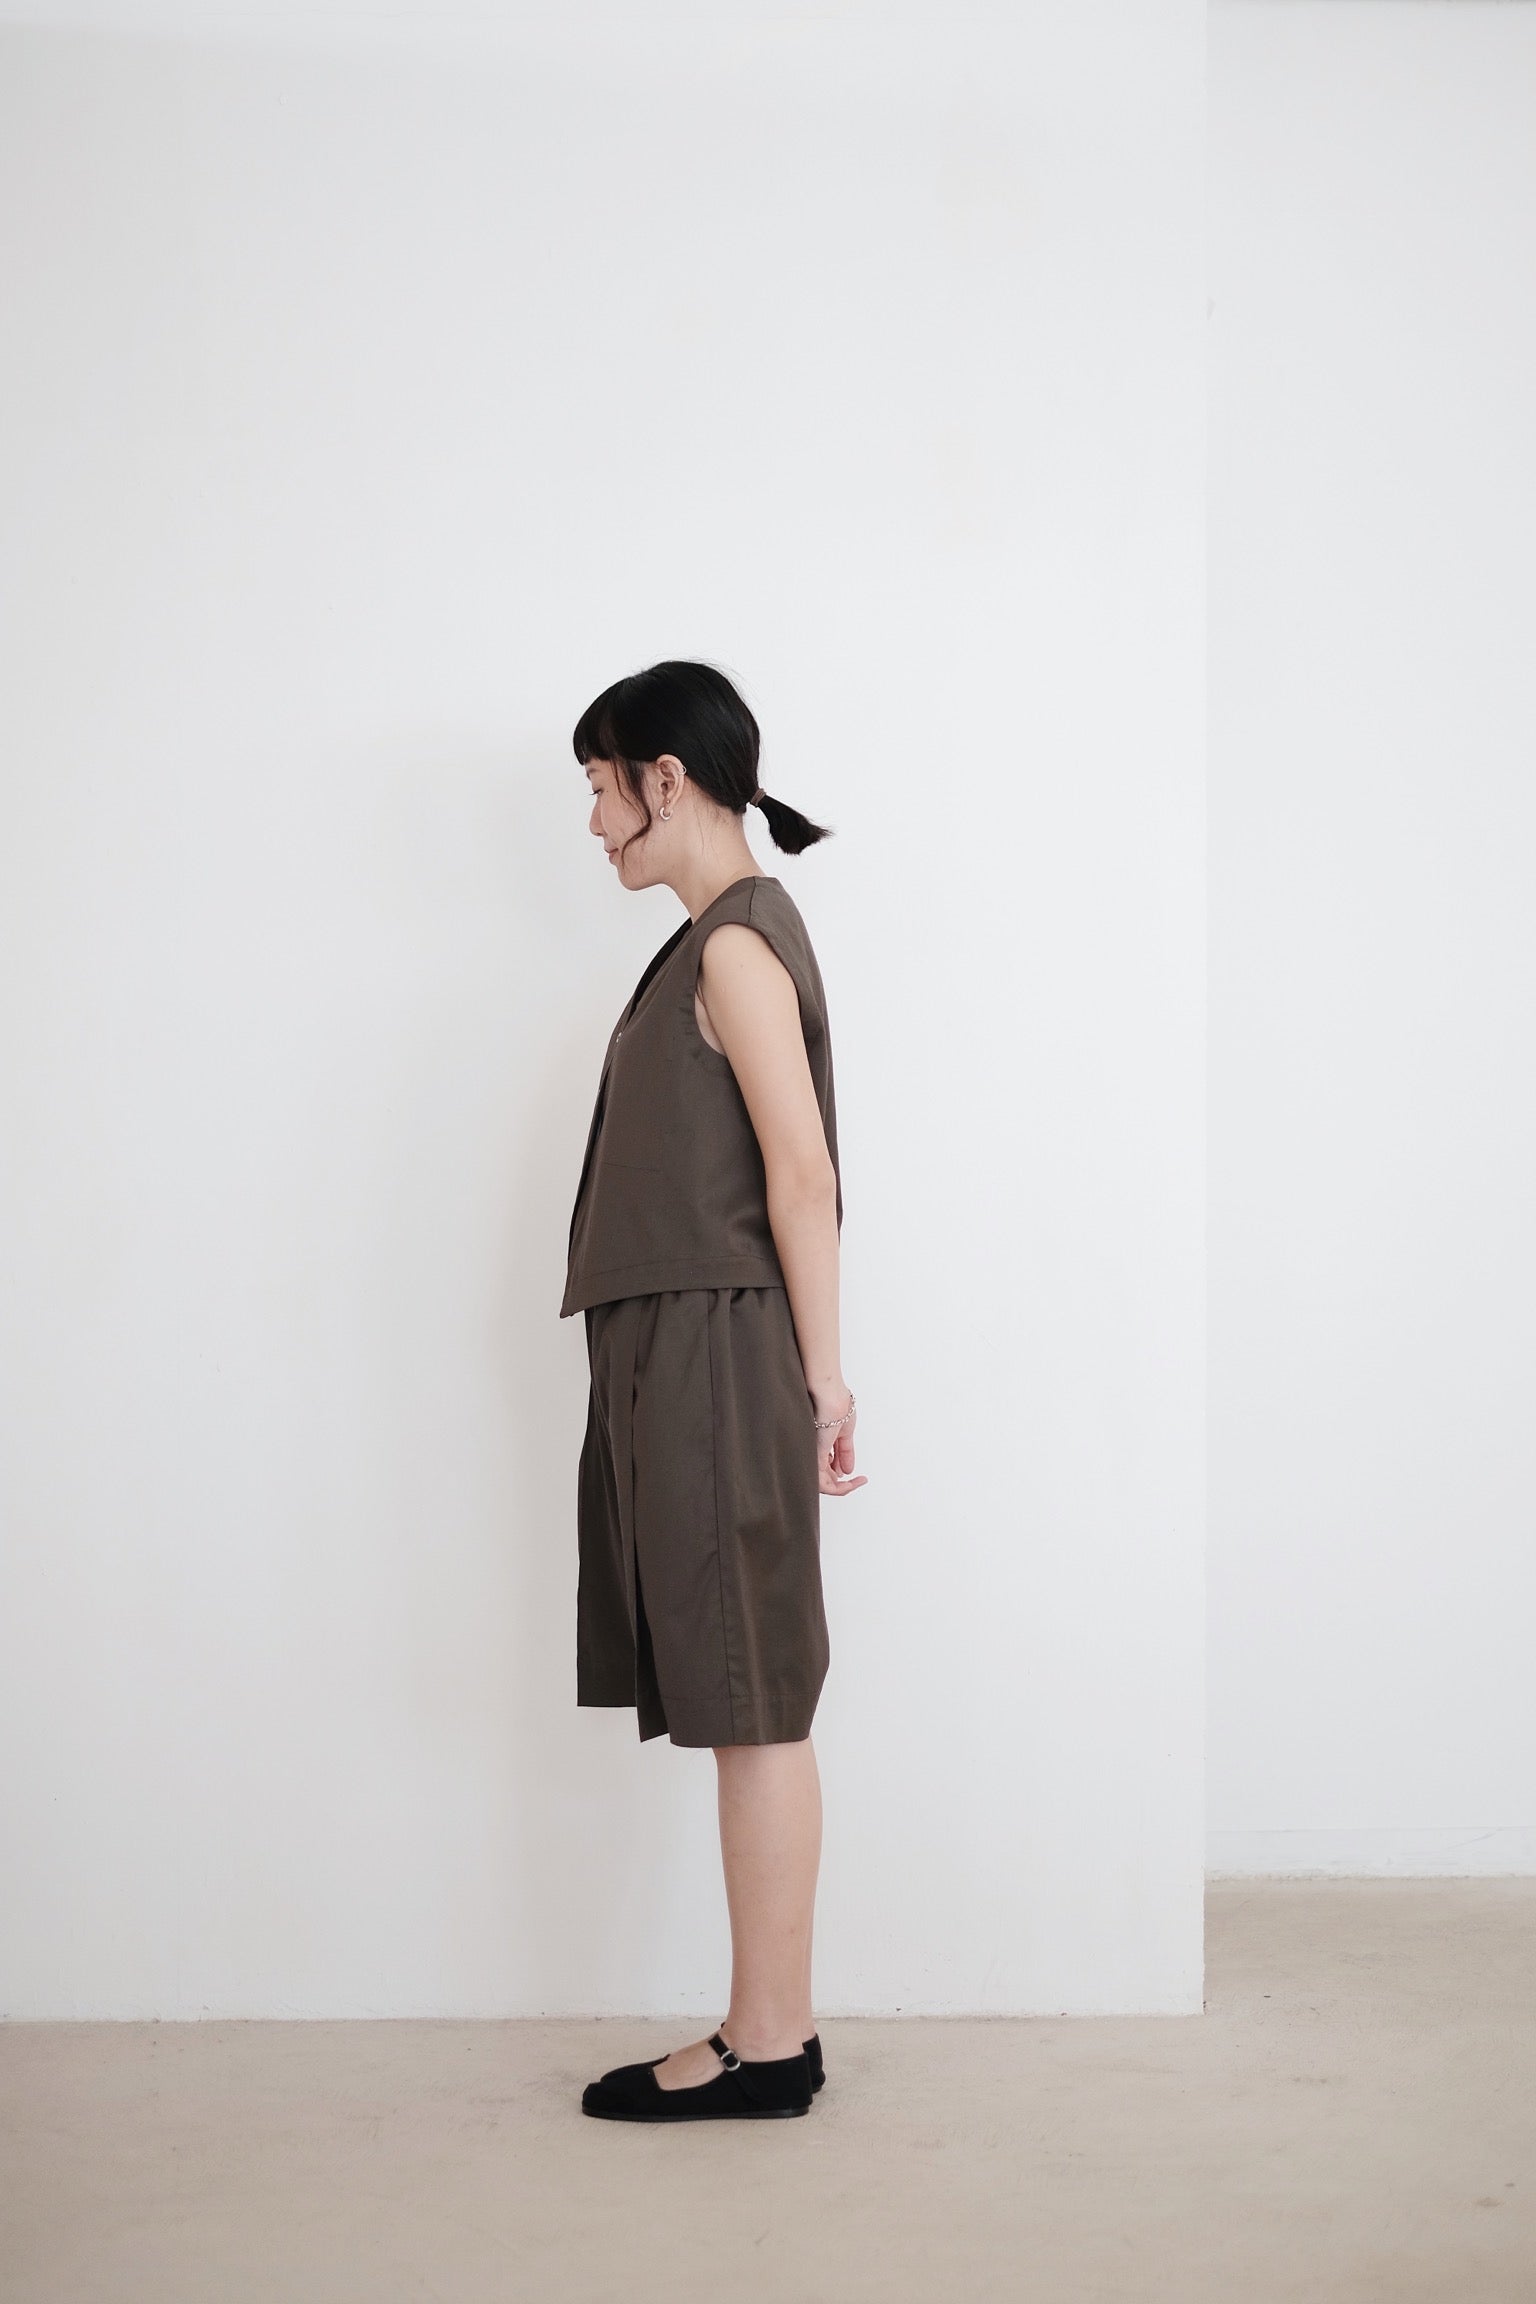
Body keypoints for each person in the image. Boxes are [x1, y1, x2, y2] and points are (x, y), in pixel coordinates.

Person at [558, 659, 866, 2123]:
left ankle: (769, 2043)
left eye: (601, 789)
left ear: (664, 781)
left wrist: (823, 1382)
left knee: (754, 1696)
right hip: (694, 1353)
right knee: (745, 1692)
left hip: (721, 1357)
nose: (595, 823)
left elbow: (801, 1174)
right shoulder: (712, 940)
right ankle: (767, 2033)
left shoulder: (735, 946)